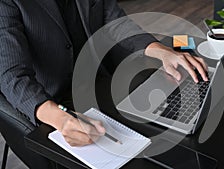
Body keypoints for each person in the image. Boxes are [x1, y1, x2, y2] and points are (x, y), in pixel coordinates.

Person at [0, 0, 208, 168]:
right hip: (55, 102)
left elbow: (115, 21)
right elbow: (12, 75)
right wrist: (59, 119)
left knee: (175, 138)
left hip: (100, 83)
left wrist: (160, 50)